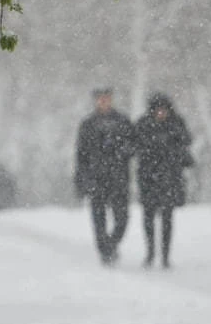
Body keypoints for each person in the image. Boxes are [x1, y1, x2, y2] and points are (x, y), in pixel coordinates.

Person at [75, 87, 135, 266]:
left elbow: (133, 146)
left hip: (119, 177)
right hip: (96, 178)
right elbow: (81, 155)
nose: (104, 101)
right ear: (95, 101)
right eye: (100, 99)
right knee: (98, 218)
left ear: (111, 99)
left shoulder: (123, 121)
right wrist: (81, 180)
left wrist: (122, 151)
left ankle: (112, 243)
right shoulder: (88, 124)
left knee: (122, 219)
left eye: (106, 98)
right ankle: (104, 251)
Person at [134, 92, 194, 268]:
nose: (161, 113)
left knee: (167, 218)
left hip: (170, 178)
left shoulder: (176, 123)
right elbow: (135, 146)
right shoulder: (143, 124)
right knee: (148, 217)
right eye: (158, 110)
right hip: (148, 178)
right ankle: (151, 252)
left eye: (164, 110)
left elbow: (186, 141)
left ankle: (165, 255)